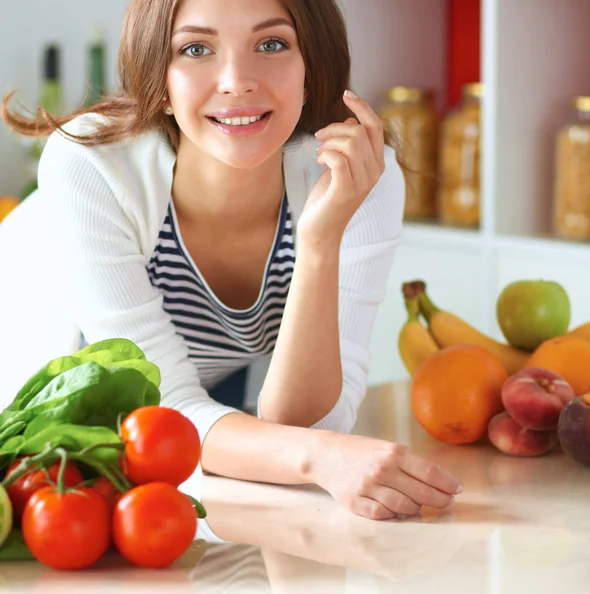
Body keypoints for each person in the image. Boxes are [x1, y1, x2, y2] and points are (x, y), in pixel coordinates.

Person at [0, 0, 463, 520]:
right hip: (41, 419)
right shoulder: (91, 166)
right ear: (161, 78)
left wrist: (317, 240)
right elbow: (162, 409)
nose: (237, 81)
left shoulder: (353, 177)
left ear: (312, 67)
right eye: (196, 49)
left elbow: (306, 426)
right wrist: (317, 458)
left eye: (271, 44)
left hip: (201, 418)